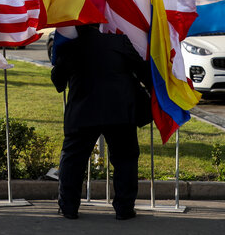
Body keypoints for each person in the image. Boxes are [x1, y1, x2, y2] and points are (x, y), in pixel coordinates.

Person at [51, 24, 152, 220]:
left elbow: (58, 82)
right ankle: (124, 209)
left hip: (83, 112)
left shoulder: (71, 46)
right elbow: (145, 73)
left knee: (73, 160)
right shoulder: (119, 42)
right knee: (125, 159)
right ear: (99, 24)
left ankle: (69, 208)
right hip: (120, 112)